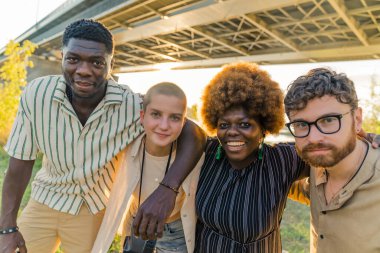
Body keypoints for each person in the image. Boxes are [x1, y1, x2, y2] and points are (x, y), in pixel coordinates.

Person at [0, 19, 204, 253]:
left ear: (110, 64)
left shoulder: (129, 104)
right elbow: (20, 163)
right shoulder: (37, 94)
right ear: (62, 57)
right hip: (43, 200)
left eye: (97, 62)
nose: (84, 70)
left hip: (92, 208)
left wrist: (167, 190)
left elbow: (193, 132)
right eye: (73, 59)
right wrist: (6, 228)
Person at [194, 62, 310, 253]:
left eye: (244, 124)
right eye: (224, 125)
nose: (232, 132)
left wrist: (364, 139)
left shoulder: (282, 161)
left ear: (264, 128)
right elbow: (181, 129)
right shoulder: (206, 153)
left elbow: (327, 149)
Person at [92, 82, 204, 253]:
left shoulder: (193, 155)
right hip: (137, 223)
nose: (164, 125)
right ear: (142, 116)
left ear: (184, 122)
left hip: (175, 231)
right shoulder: (126, 143)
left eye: (174, 118)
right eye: (156, 115)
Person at [285, 68, 380, 253]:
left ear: (357, 119)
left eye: (328, 120)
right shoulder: (316, 168)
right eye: (301, 125)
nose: (313, 138)